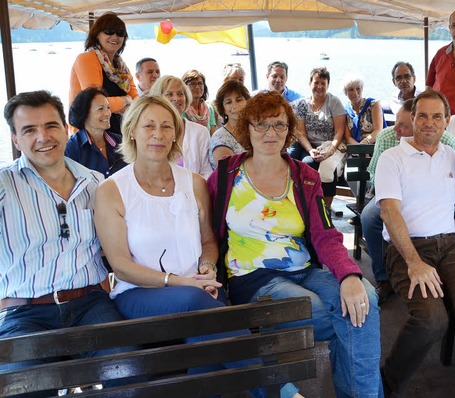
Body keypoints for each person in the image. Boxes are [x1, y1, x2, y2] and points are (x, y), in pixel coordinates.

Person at [93, 95, 301, 398]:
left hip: (199, 290)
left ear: (177, 133)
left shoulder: (193, 183)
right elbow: (121, 265)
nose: (158, 134)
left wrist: (206, 268)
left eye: (167, 126)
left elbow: (208, 241)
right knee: (200, 307)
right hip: (140, 295)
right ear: (132, 131)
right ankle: (280, 389)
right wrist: (184, 283)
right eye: (148, 125)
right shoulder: (112, 190)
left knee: (206, 346)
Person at [208, 91, 382, 398]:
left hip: (304, 270)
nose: (270, 132)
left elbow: (326, 235)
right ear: (246, 128)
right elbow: (205, 233)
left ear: (290, 129)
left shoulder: (304, 176)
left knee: (363, 301)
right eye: (260, 124)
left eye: (278, 124)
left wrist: (351, 275)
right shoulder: (226, 175)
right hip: (253, 277)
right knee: (331, 314)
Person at [376, 90, 455, 397]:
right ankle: (387, 385)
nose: (430, 123)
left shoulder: (452, 156)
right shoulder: (392, 158)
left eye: (437, 116)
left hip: (453, 246)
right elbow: (388, 210)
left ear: (446, 122)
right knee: (431, 320)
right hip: (408, 248)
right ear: (412, 119)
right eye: (423, 116)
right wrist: (414, 262)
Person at [0, 90, 124, 373]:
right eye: (29, 130)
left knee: (127, 369)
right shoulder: (4, 186)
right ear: (16, 140)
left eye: (51, 126)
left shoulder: (95, 182)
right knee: (19, 383)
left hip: (90, 306)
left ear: (66, 129)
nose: (43, 137)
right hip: (25, 313)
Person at [362, 99, 455, 303]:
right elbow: (374, 173)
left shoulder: (449, 144)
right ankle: (383, 276)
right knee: (370, 216)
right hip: (387, 189)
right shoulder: (387, 138)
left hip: (431, 196)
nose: (396, 128)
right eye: (397, 122)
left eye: (402, 125)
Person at [69, 12, 137, 135]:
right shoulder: (86, 59)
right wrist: (124, 100)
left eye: (120, 33)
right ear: (97, 35)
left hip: (120, 134)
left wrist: (124, 102)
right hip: (90, 136)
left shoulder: (121, 66)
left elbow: (135, 100)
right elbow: (95, 103)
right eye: (109, 31)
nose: (115, 36)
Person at [290, 67, 346, 209]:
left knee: (328, 167)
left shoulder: (334, 102)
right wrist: (310, 150)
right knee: (306, 163)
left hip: (330, 144)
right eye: (316, 82)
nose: (319, 86)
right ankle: (306, 206)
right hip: (308, 144)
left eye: (323, 83)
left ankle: (325, 209)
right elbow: (300, 132)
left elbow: (339, 131)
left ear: (328, 85)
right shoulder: (302, 104)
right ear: (310, 84)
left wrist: (331, 149)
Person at [149, 75, 213, 179]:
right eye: (169, 94)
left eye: (180, 94)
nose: (176, 98)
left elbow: (207, 171)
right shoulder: (149, 132)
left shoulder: (201, 132)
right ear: (158, 99)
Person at [65, 87, 127, 178]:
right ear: (84, 113)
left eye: (108, 108)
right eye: (101, 109)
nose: (107, 113)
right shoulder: (72, 149)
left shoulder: (120, 140)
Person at [208, 80, 251, 170]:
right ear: (223, 109)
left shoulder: (254, 129)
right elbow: (229, 173)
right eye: (228, 102)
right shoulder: (221, 138)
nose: (234, 106)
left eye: (239, 100)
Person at [343, 75, 384, 144]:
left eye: (358, 88)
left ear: (362, 89)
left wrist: (364, 145)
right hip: (356, 148)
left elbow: (378, 130)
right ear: (345, 92)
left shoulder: (373, 104)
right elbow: (348, 137)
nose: (355, 93)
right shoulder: (345, 111)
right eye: (351, 89)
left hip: (375, 145)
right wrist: (359, 150)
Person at [182, 69, 218, 136]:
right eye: (193, 84)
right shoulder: (182, 109)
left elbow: (213, 136)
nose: (197, 87)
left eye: (200, 83)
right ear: (184, 87)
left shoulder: (209, 108)